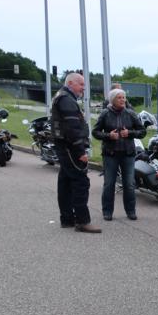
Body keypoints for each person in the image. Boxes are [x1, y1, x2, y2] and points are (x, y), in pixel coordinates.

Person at [50, 73, 101, 233]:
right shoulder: (66, 99)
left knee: (65, 183)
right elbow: (72, 128)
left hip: (65, 146)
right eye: (81, 84)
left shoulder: (62, 96)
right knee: (81, 182)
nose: (83, 88)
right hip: (70, 148)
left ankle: (67, 219)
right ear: (71, 83)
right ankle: (82, 221)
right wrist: (80, 151)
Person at [92, 88, 146, 221]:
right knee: (109, 184)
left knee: (129, 184)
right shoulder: (105, 114)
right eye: (119, 97)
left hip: (128, 154)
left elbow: (142, 132)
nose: (122, 100)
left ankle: (131, 211)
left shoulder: (131, 113)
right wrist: (108, 136)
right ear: (112, 100)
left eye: (123, 97)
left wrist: (130, 133)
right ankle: (107, 212)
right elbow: (95, 132)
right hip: (110, 154)